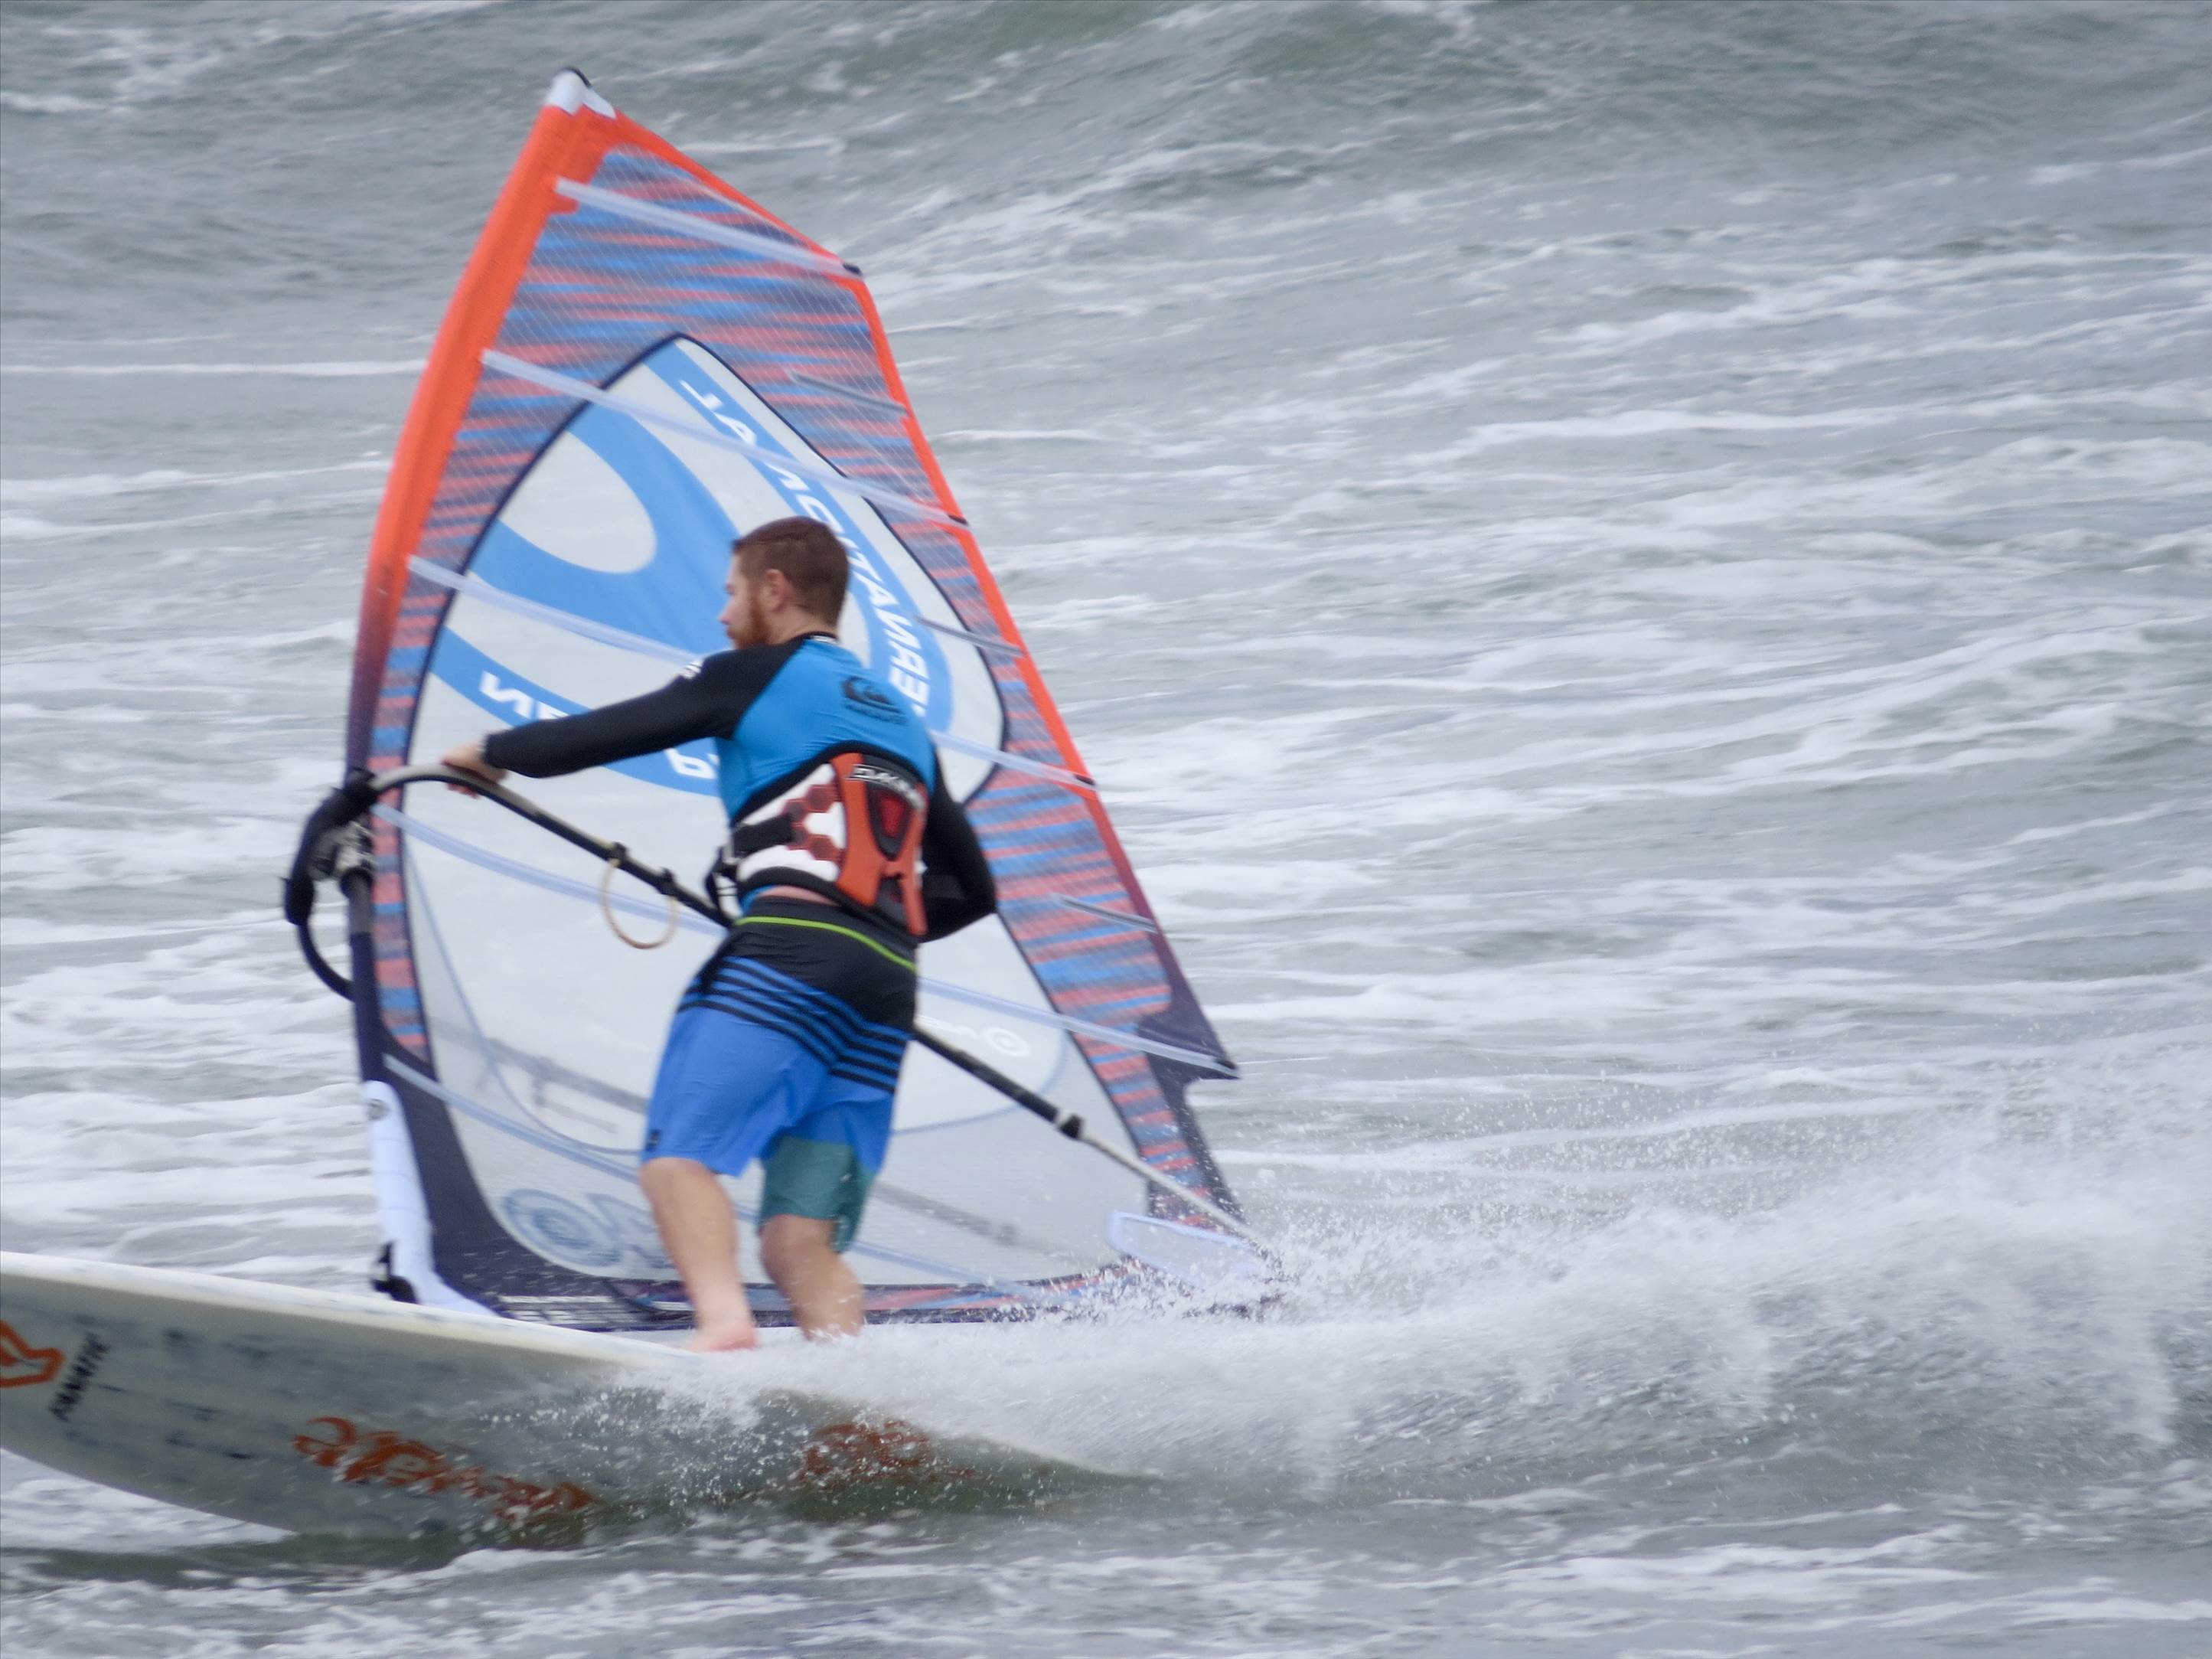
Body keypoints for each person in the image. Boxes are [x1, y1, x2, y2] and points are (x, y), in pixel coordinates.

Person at [440, 517, 995, 1351]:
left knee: (678, 1158)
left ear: (776, 589)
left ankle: (725, 1326)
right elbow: (973, 891)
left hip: (789, 956)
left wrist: (491, 750)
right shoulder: (902, 720)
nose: (722, 614)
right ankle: (853, 1392)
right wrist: (865, 928)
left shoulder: (751, 675)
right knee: (798, 1240)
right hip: (886, 984)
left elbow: (611, 730)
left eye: (732, 593)